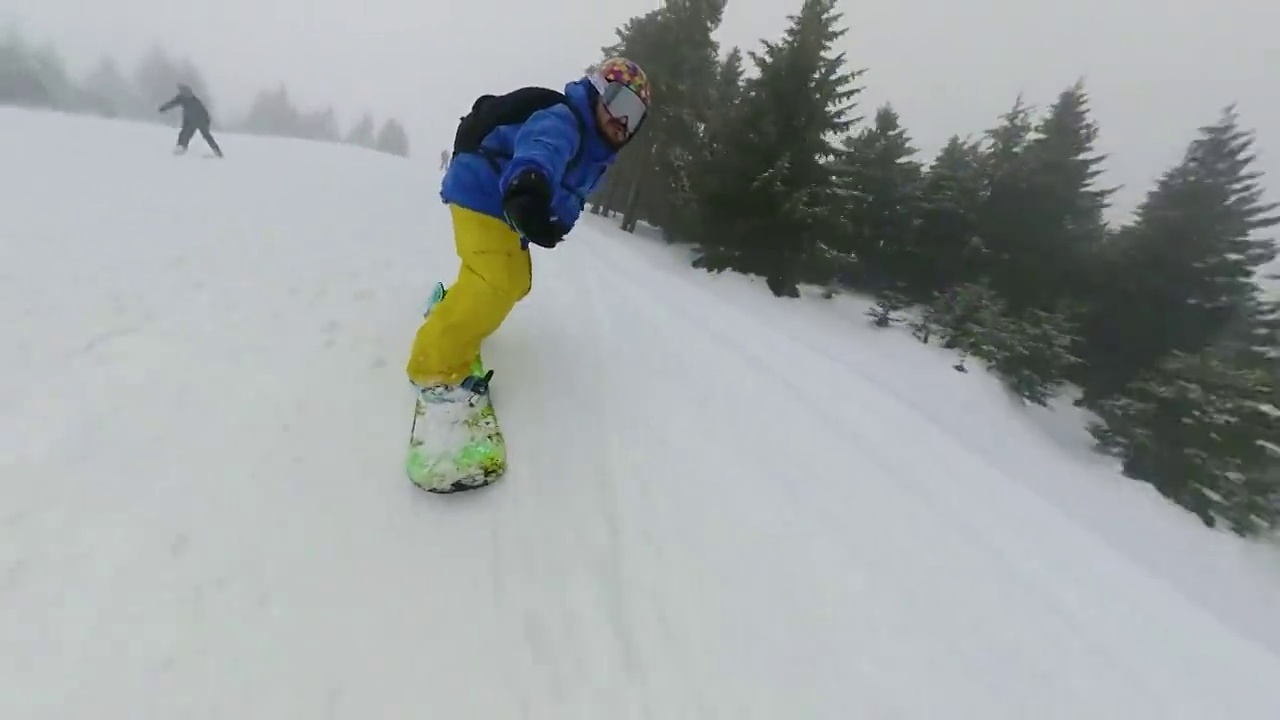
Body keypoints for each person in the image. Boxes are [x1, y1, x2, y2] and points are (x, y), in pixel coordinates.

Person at [405, 57, 650, 398]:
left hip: (500, 207)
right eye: (620, 103)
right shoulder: (564, 119)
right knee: (496, 281)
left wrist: (555, 223)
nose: (623, 121)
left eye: (635, 117)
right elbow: (540, 151)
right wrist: (529, 188)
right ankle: (433, 366)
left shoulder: (597, 154)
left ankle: (456, 311)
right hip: (482, 191)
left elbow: (572, 194)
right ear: (597, 91)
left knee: (516, 282)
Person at [158, 84, 223, 157]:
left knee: (186, 134)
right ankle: (217, 151)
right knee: (202, 136)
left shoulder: (185, 98)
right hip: (199, 121)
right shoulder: (194, 99)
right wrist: (207, 121)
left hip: (196, 121)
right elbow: (204, 112)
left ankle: (181, 148)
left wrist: (163, 108)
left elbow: (173, 103)